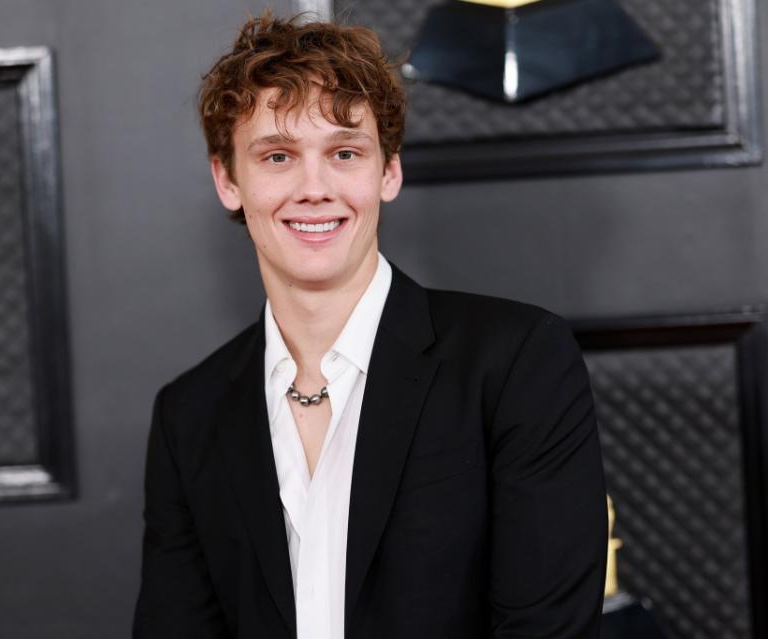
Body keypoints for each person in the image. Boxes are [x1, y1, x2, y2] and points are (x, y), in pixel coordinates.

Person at [133, 11, 607, 639]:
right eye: (277, 155)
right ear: (228, 180)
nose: (313, 188)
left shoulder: (515, 362)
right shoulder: (188, 415)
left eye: (344, 152)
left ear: (388, 172)